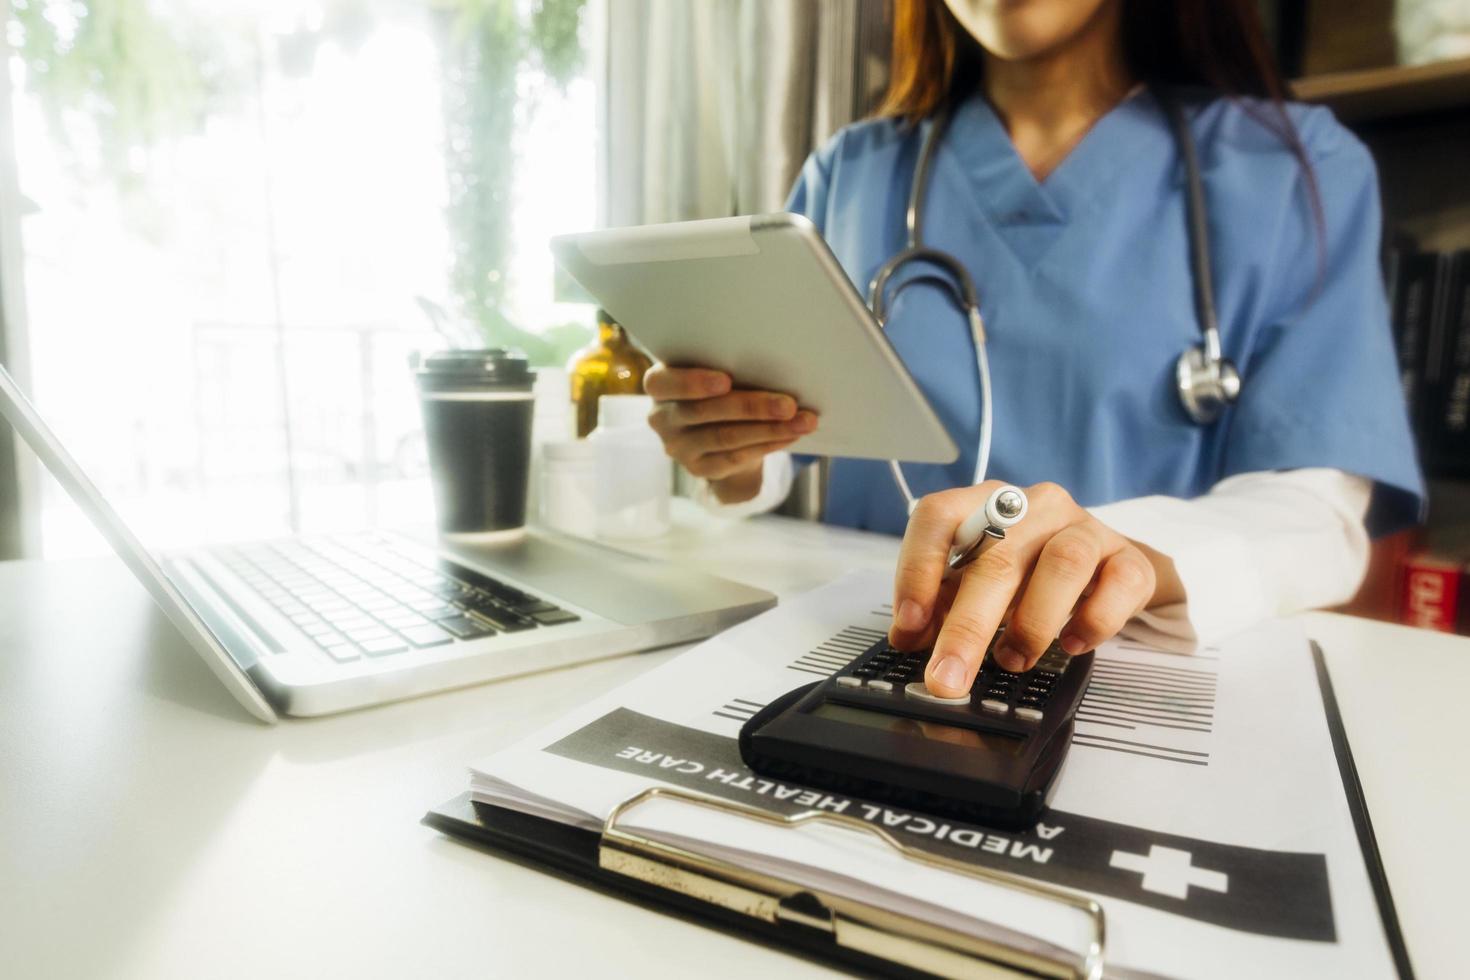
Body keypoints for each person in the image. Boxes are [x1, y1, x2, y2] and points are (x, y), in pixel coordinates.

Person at [643, 0, 1423, 697]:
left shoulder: (1294, 169)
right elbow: (789, 440)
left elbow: (1319, 515)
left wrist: (1125, 553)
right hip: (874, 656)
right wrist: (733, 451)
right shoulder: (851, 170)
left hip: (1138, 675)